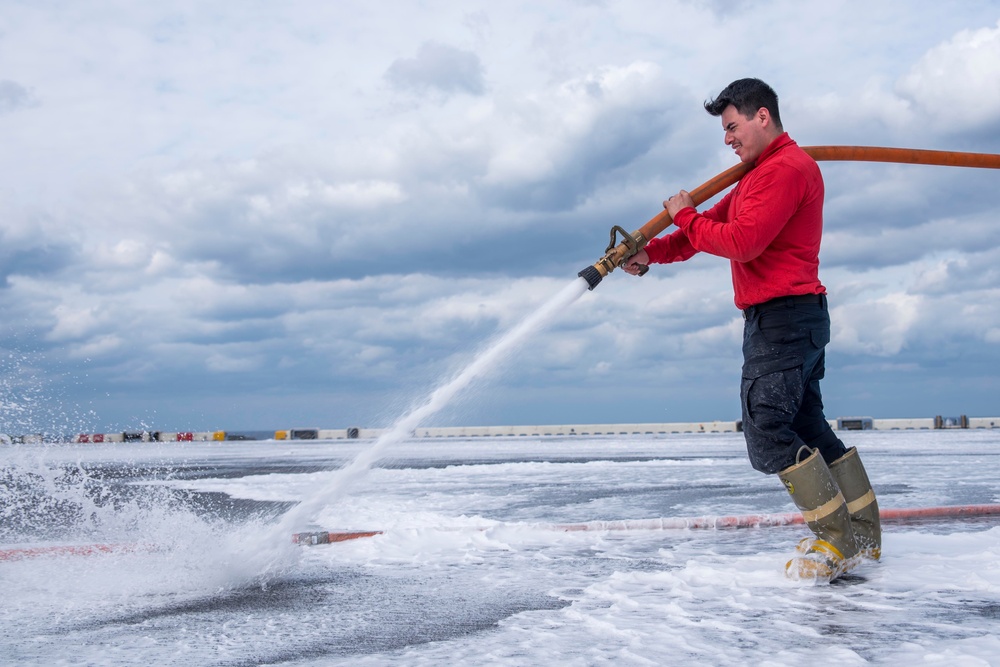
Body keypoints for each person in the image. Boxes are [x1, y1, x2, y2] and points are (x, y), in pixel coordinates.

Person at [623, 78, 881, 582]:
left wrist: (685, 213)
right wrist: (650, 253)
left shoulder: (786, 170)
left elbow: (741, 243)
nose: (727, 139)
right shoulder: (757, 176)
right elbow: (705, 234)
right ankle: (863, 533)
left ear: (763, 116)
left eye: (732, 126)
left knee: (766, 427)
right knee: (805, 423)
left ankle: (836, 538)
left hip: (783, 317)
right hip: (792, 316)